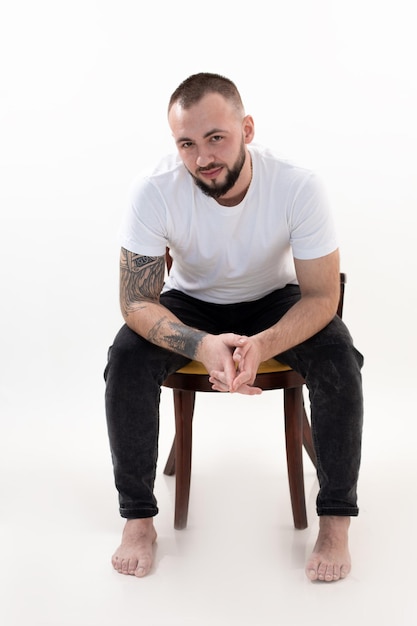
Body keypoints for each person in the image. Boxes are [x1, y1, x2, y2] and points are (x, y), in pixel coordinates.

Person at [104, 72, 364, 583]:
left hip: (275, 300)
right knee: (126, 357)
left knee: (338, 354)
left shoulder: (297, 184)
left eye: (216, 137)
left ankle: (335, 520)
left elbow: (322, 296)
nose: (203, 157)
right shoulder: (154, 189)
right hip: (192, 304)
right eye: (187, 143)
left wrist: (264, 342)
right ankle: (138, 521)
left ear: (246, 128)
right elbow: (136, 300)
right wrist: (200, 344)